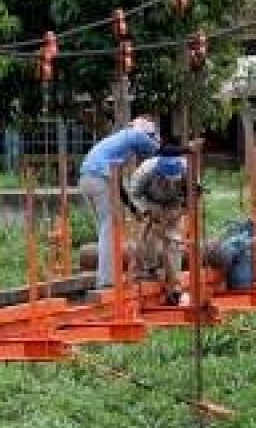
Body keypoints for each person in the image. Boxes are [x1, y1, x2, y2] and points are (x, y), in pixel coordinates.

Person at [79, 116, 160, 287]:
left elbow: (119, 186)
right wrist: (183, 151)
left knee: (105, 229)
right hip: (99, 180)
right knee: (110, 229)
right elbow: (158, 149)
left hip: (86, 179)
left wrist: (133, 209)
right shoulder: (135, 134)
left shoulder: (119, 145)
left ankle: (105, 276)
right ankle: (107, 280)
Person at [128, 155, 189, 304]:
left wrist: (181, 211)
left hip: (174, 203)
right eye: (167, 179)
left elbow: (194, 195)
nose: (170, 182)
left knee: (174, 241)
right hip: (150, 202)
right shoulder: (145, 171)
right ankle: (150, 268)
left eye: (174, 179)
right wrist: (145, 212)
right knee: (148, 236)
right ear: (159, 172)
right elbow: (133, 195)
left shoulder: (188, 169)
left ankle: (174, 283)